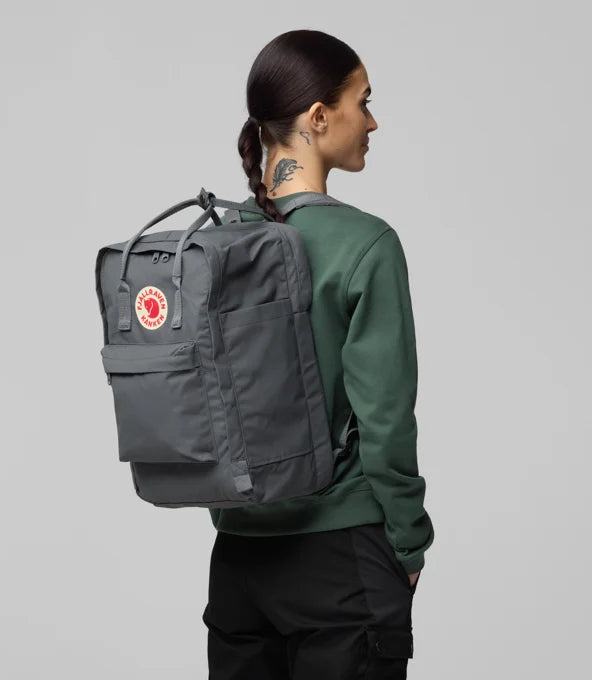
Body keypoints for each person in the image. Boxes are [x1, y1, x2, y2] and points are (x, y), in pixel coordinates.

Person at [202, 29, 434, 679]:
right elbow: (386, 420)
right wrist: (409, 542)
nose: (373, 122)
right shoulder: (366, 245)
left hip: (238, 564)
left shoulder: (218, 243)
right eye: (364, 101)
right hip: (342, 557)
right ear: (319, 117)